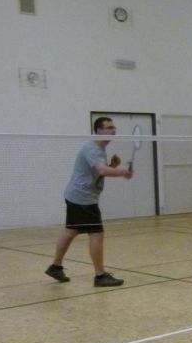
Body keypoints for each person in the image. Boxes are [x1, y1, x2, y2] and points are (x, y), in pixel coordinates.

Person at [45, 116, 133, 287]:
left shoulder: (100, 148)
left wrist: (112, 166)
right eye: (109, 127)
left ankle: (55, 267)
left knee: (70, 231)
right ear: (98, 130)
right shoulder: (92, 148)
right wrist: (122, 172)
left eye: (114, 127)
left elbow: (98, 172)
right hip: (83, 199)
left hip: (76, 196)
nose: (113, 130)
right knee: (96, 234)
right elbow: (101, 170)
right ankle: (100, 276)